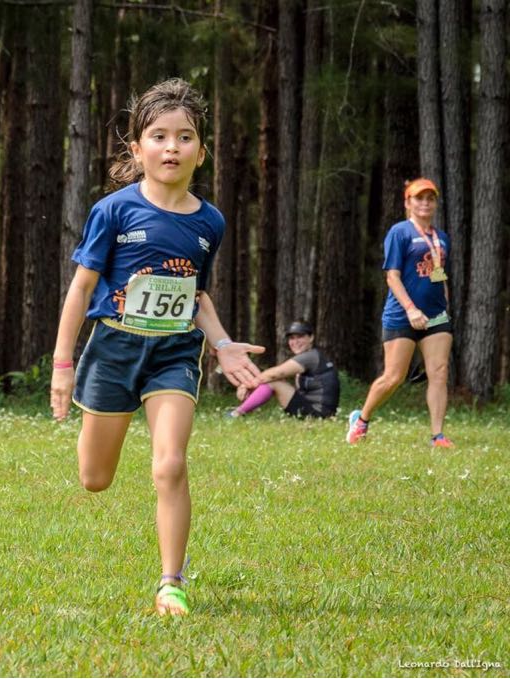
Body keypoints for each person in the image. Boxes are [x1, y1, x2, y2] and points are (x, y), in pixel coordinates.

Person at [49, 78, 264, 617]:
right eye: (159, 136)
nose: (172, 147)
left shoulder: (210, 221)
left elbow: (196, 295)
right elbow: (80, 288)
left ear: (201, 152)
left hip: (173, 354)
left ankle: (172, 582)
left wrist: (221, 344)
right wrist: (62, 364)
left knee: (169, 464)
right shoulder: (113, 211)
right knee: (94, 479)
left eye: (185, 137)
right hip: (113, 350)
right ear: (137, 148)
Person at [346, 178, 454, 447]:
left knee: (439, 372)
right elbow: (392, 277)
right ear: (408, 203)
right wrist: (411, 309)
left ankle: (438, 436)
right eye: (419, 198)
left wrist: (446, 304)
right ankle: (361, 420)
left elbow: (439, 274)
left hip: (436, 315)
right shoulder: (399, 232)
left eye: (430, 198)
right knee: (394, 377)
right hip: (402, 315)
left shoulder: (441, 237)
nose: (425, 203)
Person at [228, 320, 340, 419]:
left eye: (300, 337)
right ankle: (244, 409)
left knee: (274, 381)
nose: (295, 342)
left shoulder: (310, 357)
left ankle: (235, 414)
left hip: (318, 414)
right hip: (319, 411)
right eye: (292, 338)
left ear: (311, 338)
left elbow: (274, 374)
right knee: (275, 381)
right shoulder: (315, 355)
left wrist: (246, 385)